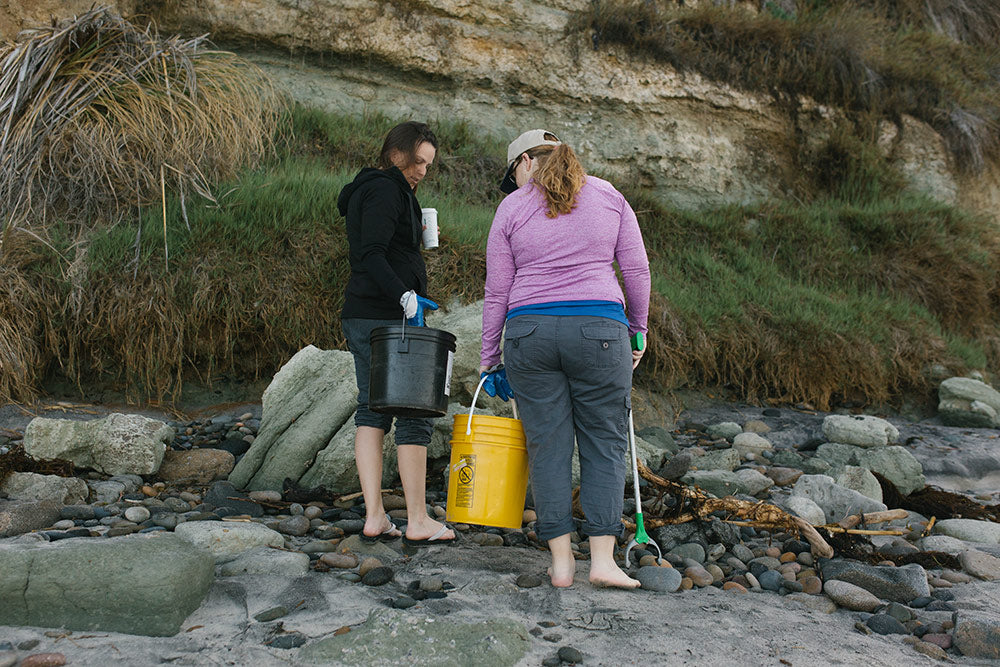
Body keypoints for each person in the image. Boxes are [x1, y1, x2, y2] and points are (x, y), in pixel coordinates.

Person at [480, 129, 650, 588]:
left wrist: (488, 356)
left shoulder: (512, 208)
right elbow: (634, 268)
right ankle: (603, 561)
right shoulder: (609, 195)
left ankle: (560, 563)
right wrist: (638, 330)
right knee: (604, 441)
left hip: (529, 333)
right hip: (599, 330)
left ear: (525, 165)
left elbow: (497, 289)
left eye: (510, 174)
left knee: (547, 446)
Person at [338, 121, 456, 546]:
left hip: (364, 314)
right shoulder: (387, 189)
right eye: (418, 161)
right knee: (414, 413)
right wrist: (405, 296)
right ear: (395, 154)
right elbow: (370, 253)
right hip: (387, 318)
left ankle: (375, 517)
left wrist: (415, 244)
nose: (423, 171)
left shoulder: (374, 190)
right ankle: (419, 519)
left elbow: (381, 247)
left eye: (428, 165)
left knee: (371, 410)